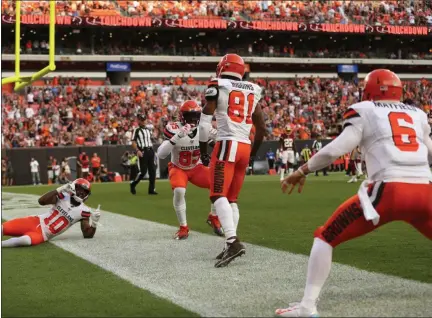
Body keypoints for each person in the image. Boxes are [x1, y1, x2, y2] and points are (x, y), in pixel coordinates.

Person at [276, 69, 432, 317]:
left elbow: (335, 149)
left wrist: (303, 170)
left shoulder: (365, 110)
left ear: (369, 89)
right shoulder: (418, 114)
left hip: (388, 191)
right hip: (425, 192)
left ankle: (307, 306)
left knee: (325, 237)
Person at [198, 53, 266, 268]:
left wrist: (202, 149)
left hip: (227, 143)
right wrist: (253, 152)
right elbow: (262, 127)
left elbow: (203, 125)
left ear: (222, 67)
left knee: (217, 195)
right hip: (245, 146)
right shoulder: (254, 89)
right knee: (232, 198)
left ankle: (232, 241)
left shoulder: (217, 84)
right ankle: (231, 243)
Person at [157, 100, 223, 240]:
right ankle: (183, 227)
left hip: (196, 167)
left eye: (195, 116)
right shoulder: (174, 128)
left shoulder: (204, 128)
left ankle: (213, 216)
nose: (193, 120)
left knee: (218, 183)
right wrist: (178, 136)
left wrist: (215, 140)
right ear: (182, 116)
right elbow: (161, 154)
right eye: (189, 116)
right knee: (179, 191)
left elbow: (220, 139)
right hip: (178, 167)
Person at [2, 178, 101, 247]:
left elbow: (87, 235)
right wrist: (59, 189)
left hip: (44, 235)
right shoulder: (64, 196)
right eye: (80, 189)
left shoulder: (84, 211)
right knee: (3, 228)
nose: (82, 193)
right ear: (73, 187)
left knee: (25, 241)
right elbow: (41, 201)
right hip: (35, 221)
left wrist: (95, 223)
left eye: (85, 192)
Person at [130, 113, 157, 195]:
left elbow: (150, 139)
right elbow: (133, 142)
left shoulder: (148, 130)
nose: (143, 121)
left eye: (144, 119)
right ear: (139, 121)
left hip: (150, 150)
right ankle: (133, 184)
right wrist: (137, 150)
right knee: (143, 171)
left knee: (153, 171)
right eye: (142, 120)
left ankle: (151, 190)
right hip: (143, 151)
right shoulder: (137, 130)